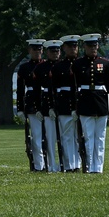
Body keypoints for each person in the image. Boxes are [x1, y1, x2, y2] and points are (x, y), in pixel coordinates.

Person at [74, 33, 109, 172]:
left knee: (100, 138)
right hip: (85, 102)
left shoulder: (105, 63)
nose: (93, 48)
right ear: (84, 47)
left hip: (101, 102)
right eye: (90, 46)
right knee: (88, 137)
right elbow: (75, 86)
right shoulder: (78, 64)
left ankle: (99, 167)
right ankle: (89, 166)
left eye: (95, 46)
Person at [52, 35, 82, 172]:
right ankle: (70, 164)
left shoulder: (82, 64)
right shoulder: (58, 66)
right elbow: (53, 88)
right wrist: (54, 106)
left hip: (82, 104)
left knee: (80, 136)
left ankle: (80, 163)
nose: (73, 49)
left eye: (75, 46)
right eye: (70, 46)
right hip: (64, 105)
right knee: (67, 137)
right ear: (64, 48)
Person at [17, 38, 47, 171]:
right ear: (29, 50)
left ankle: (50, 163)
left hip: (46, 103)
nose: (37, 52)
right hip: (32, 105)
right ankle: (39, 165)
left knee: (50, 136)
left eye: (39, 49)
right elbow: (20, 90)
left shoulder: (47, 65)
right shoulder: (24, 68)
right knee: (36, 136)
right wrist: (20, 109)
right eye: (35, 49)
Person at [36, 40, 63, 172]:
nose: (55, 53)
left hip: (63, 103)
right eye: (52, 51)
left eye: (57, 51)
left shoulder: (64, 65)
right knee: (50, 138)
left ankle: (66, 163)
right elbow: (37, 91)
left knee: (66, 137)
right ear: (47, 52)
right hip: (47, 105)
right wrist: (38, 109)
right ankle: (52, 164)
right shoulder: (41, 68)